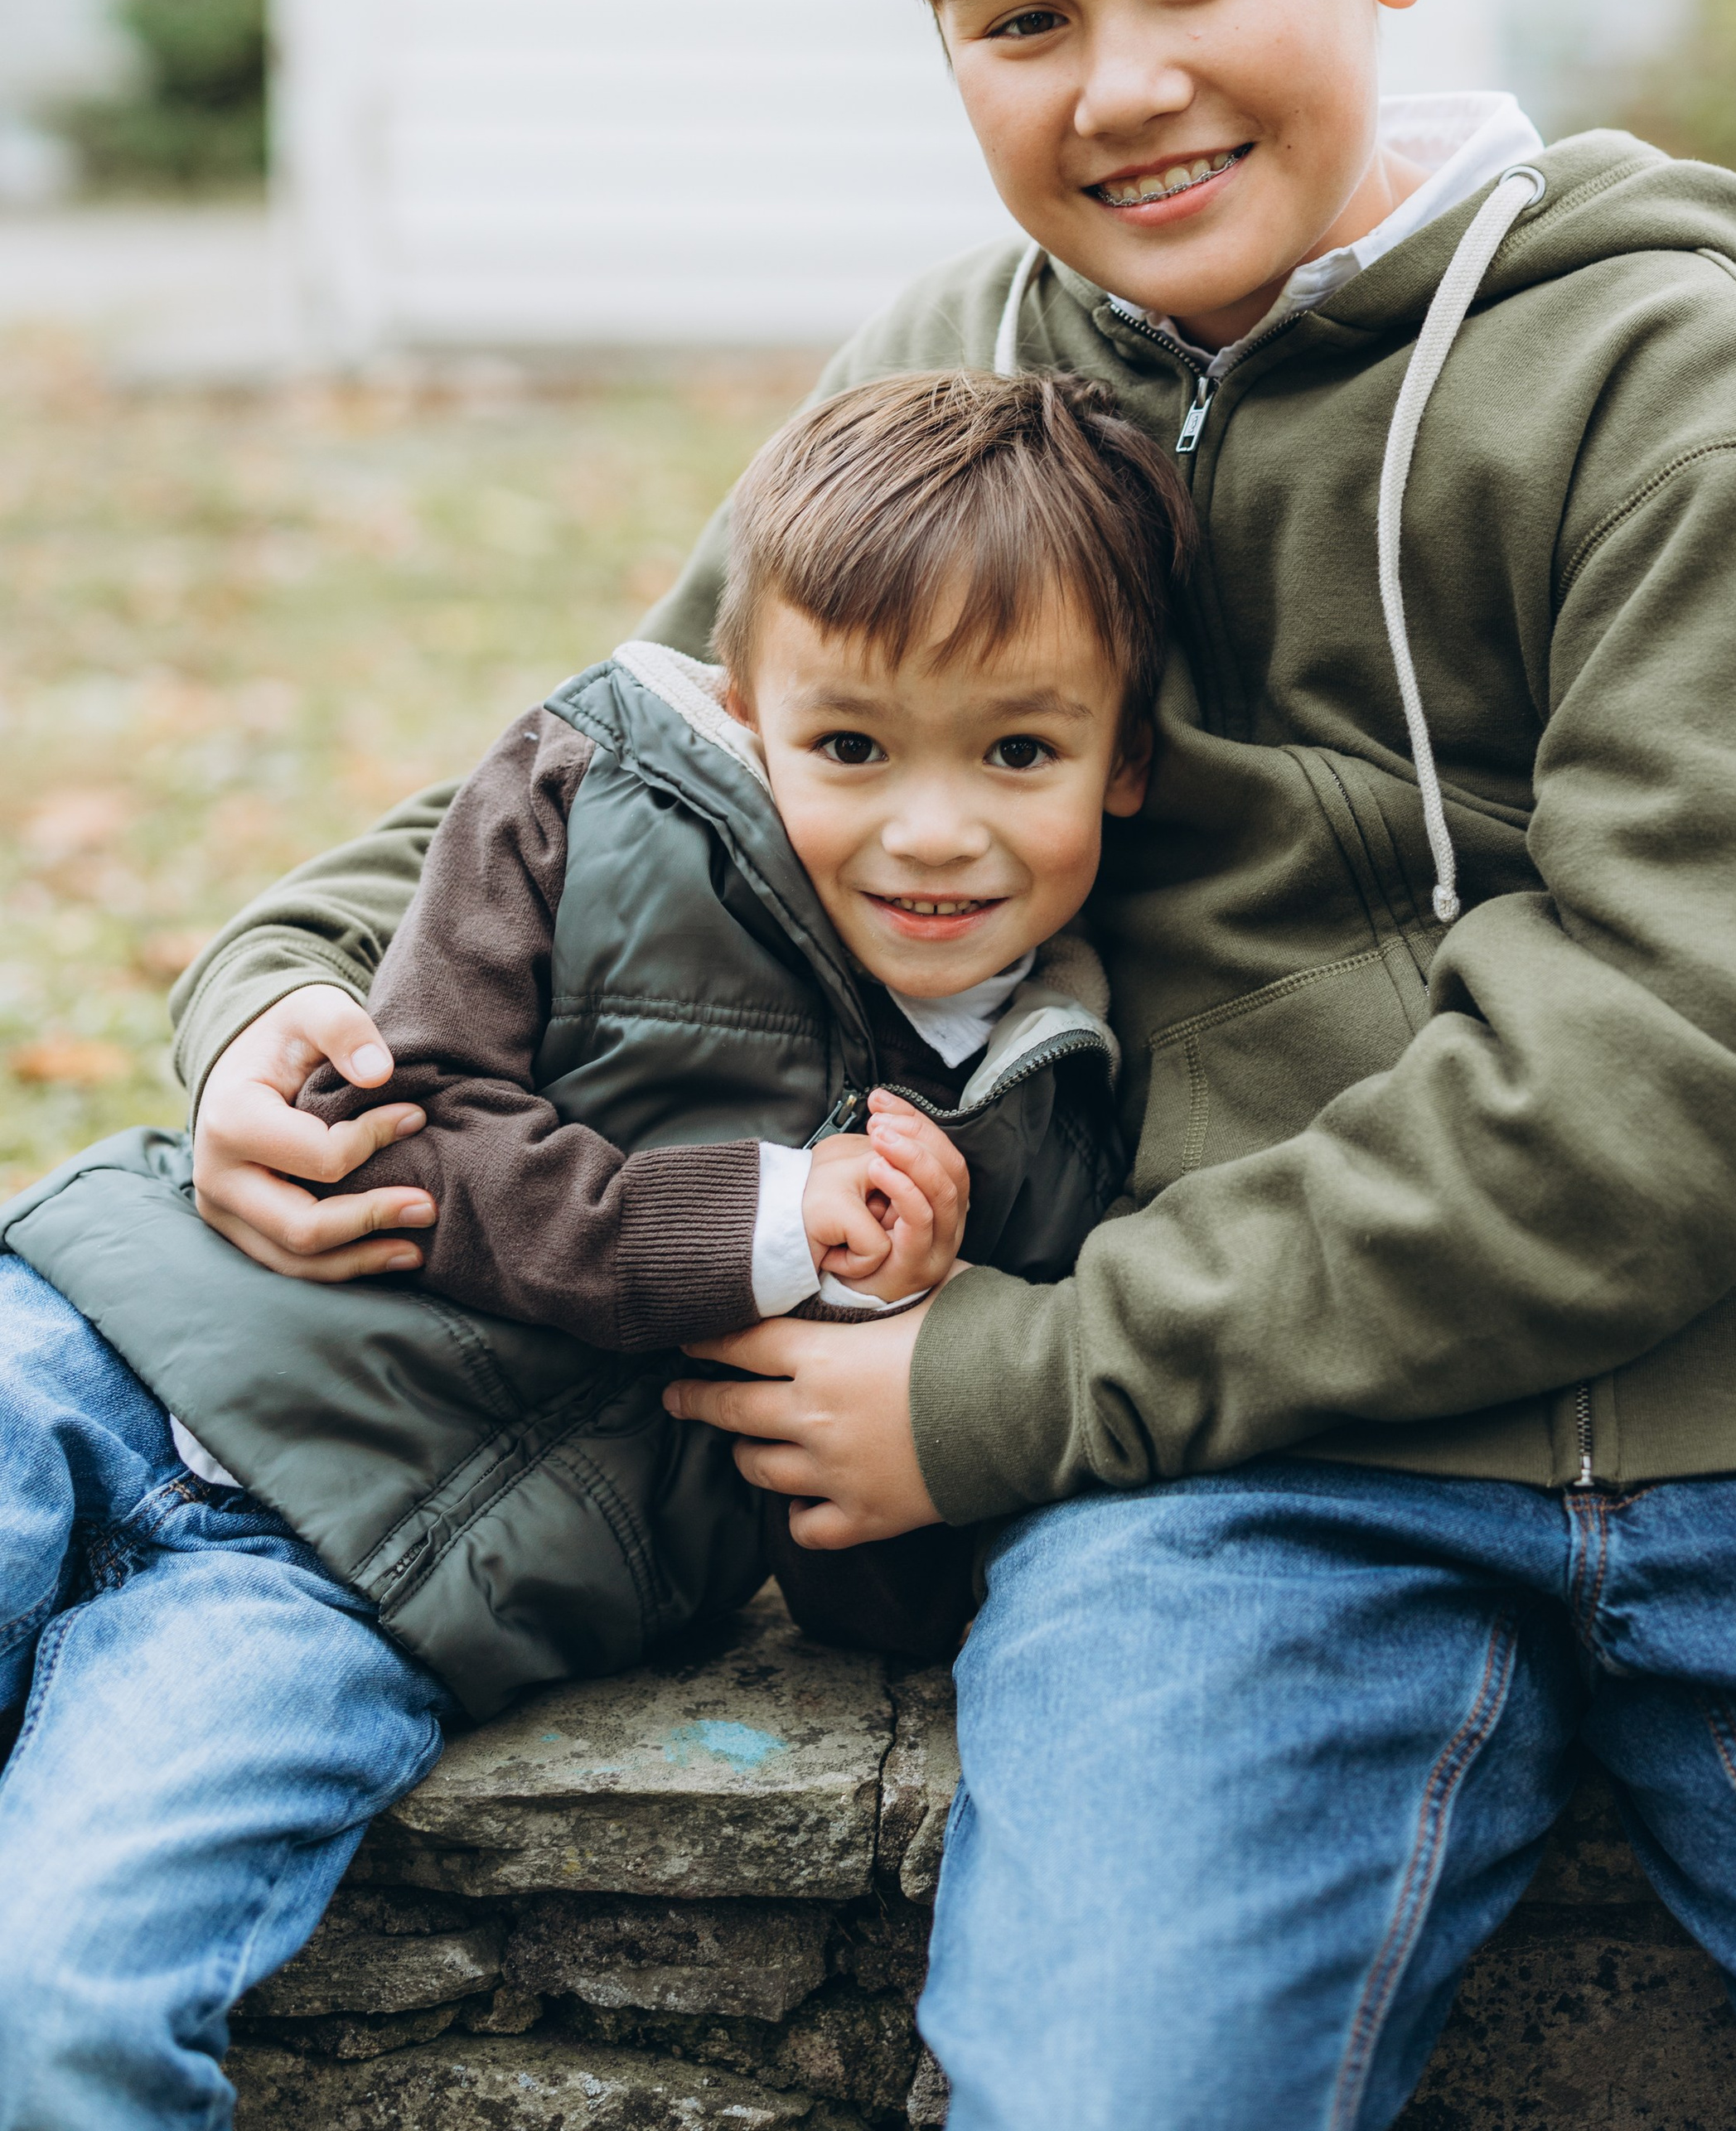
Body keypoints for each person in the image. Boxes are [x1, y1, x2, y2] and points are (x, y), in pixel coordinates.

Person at [70, 0, 1736, 2129]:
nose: (1123, 82)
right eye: (1017, 17)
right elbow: (640, 773)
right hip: (1243, 1480)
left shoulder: (1656, 373)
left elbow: (1694, 1063)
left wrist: (1012, 1378)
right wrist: (274, 982)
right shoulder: (969, 364)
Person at [0, 366, 1189, 2131]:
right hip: (108, 1344)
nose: (928, 829)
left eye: (1017, 752)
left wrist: (908, 1316)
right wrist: (775, 1224)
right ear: (746, 710)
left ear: (1128, 761)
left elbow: (878, 1596)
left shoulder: (1049, 1126)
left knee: (59, 2004)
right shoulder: (594, 790)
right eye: (850, 746)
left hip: (352, 1590)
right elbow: (420, 1125)